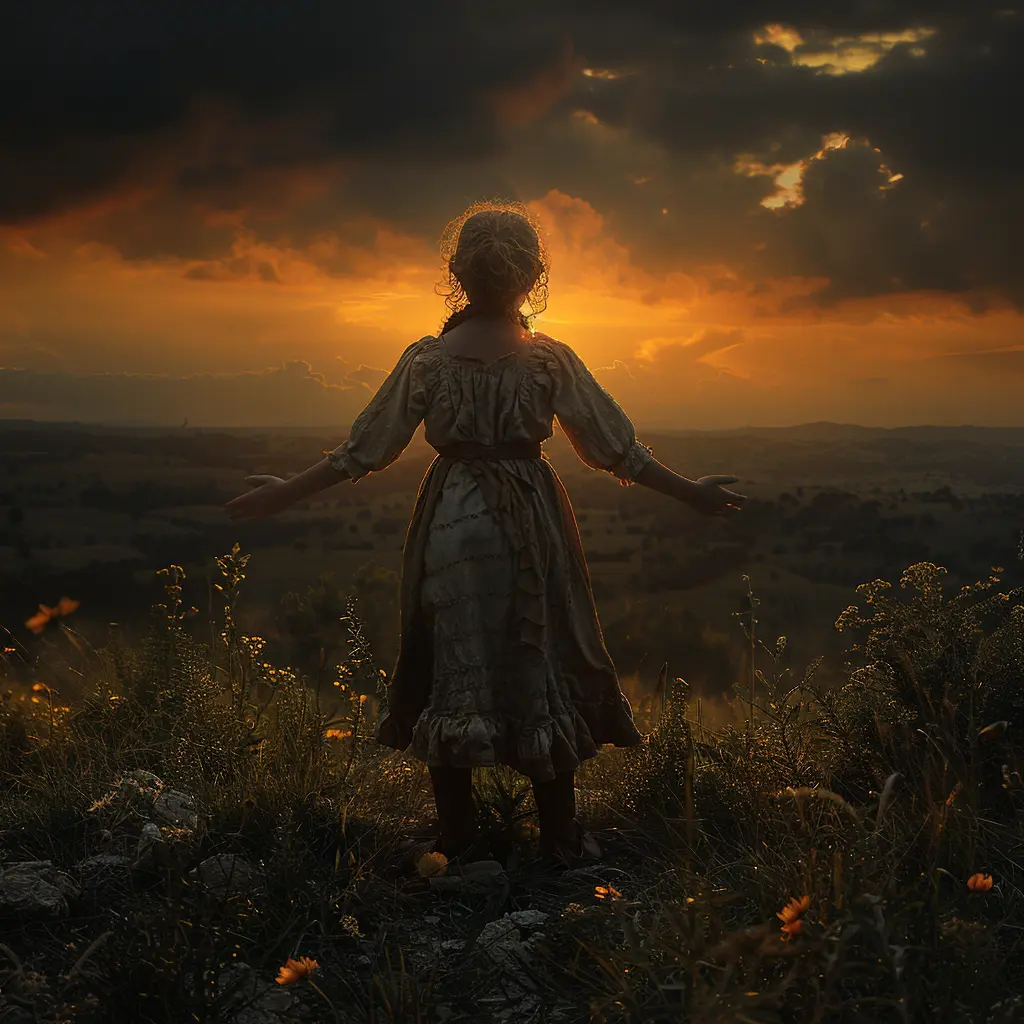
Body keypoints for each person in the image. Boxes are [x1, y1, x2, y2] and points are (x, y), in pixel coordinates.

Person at [225, 198, 745, 869]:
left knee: (454, 665)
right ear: (533, 278)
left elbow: (362, 452)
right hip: (531, 516)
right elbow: (619, 451)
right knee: (540, 656)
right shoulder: (547, 359)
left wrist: (282, 495)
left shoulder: (428, 360)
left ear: (456, 273)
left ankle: (459, 838)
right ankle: (560, 838)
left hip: (453, 519)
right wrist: (692, 493)